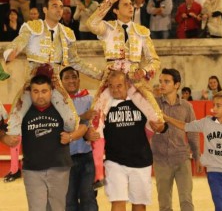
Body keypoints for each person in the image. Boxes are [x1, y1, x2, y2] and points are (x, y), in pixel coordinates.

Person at [3, 0, 102, 137]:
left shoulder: (67, 33)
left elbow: (75, 61)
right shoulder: (32, 27)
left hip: (54, 82)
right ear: (45, 9)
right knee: (13, 123)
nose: (59, 10)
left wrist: (100, 74)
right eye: (55, 6)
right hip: (33, 82)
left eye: (61, 7)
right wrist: (11, 53)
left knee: (71, 121)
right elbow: (18, 42)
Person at [87, 70, 166, 211]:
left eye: (119, 85)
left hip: (141, 160)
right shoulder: (104, 105)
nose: (115, 89)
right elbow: (95, 131)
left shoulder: (140, 101)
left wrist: (160, 127)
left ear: (126, 85)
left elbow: (157, 122)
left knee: (139, 204)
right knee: (117, 202)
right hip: (115, 161)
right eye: (111, 86)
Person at [3, 75, 73, 211]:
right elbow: (5, 131)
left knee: (58, 209)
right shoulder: (21, 112)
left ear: (51, 92)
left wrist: (71, 136)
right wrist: (6, 139)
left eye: (44, 91)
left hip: (59, 168)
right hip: (32, 171)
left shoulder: (62, 110)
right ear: (30, 92)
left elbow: (79, 125)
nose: (40, 96)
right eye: (36, 91)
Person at [150, 68, 200, 211]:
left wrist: (197, 157)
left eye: (166, 81)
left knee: (186, 202)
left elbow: (192, 133)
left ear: (177, 85)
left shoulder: (186, 107)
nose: (162, 85)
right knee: (164, 205)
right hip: (160, 160)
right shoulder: (153, 104)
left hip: (182, 159)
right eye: (160, 81)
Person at [60, 66, 98, 211]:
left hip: (87, 156)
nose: (71, 80)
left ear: (79, 79)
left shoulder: (89, 99)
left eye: (74, 77)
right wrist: (83, 117)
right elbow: (62, 125)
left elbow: (94, 124)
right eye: (67, 78)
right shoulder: (57, 102)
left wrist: (91, 133)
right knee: (68, 201)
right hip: (64, 158)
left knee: (88, 198)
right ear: (61, 81)